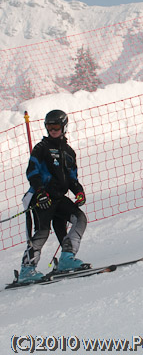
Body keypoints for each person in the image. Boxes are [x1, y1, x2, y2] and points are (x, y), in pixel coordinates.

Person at [17, 109, 88, 283]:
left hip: (58, 197)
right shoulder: (41, 149)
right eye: (49, 127)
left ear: (64, 127)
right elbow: (32, 172)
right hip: (42, 197)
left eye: (56, 127)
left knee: (80, 219)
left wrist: (78, 190)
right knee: (42, 231)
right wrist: (40, 192)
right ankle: (27, 269)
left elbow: (72, 176)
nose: (52, 131)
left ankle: (66, 259)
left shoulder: (69, 152)